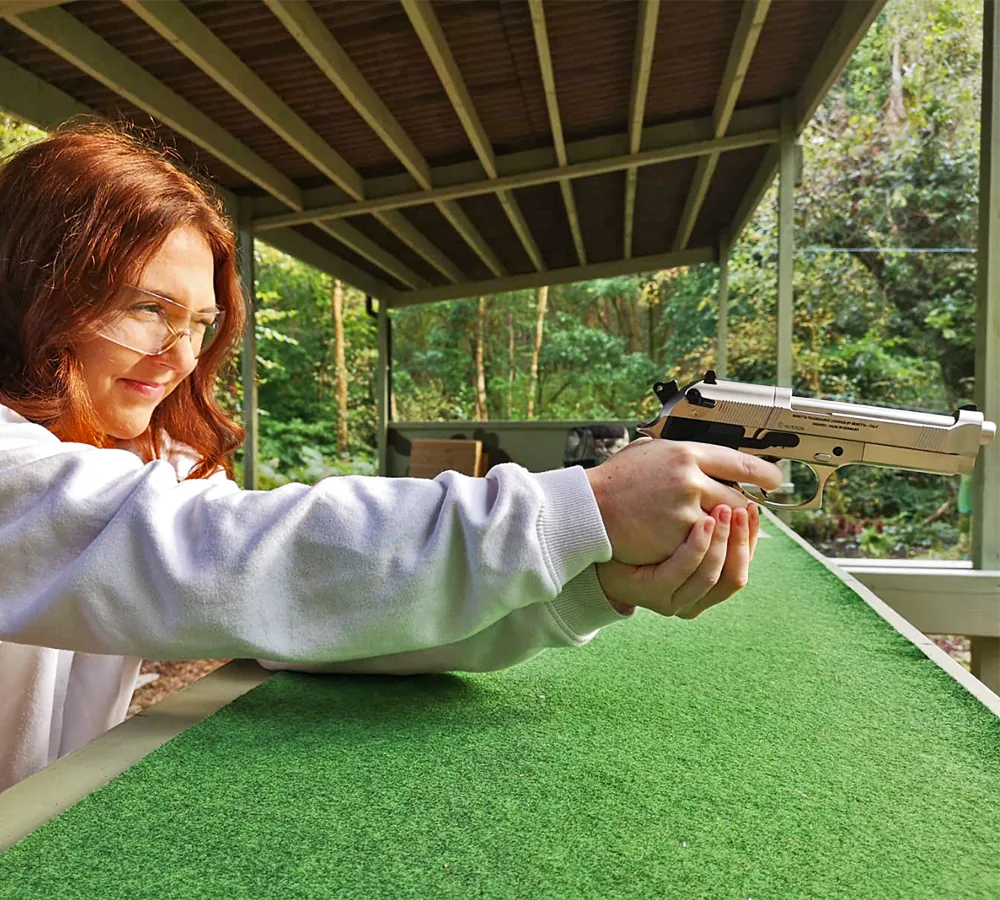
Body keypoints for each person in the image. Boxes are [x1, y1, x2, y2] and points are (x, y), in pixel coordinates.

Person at [0, 125, 781, 793]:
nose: (180, 358)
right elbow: (211, 551)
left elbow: (310, 614)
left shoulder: (151, 455)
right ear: (31, 284)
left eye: (200, 323)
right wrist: (589, 509)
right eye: (148, 308)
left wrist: (584, 586)